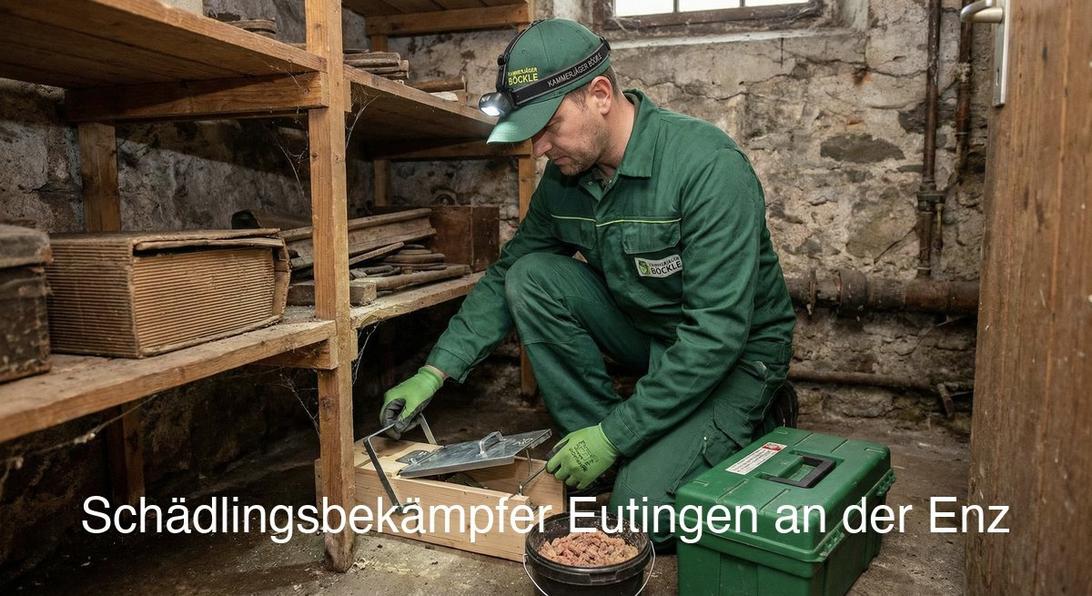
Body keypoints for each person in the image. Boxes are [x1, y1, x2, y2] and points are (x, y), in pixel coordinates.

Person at [378, 18, 795, 549]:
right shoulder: (566, 180)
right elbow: (510, 270)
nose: (541, 149)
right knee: (532, 277)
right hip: (651, 333)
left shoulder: (708, 166)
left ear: (599, 94)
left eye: (549, 127)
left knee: (638, 517)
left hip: (734, 353)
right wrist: (435, 372)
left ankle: (756, 414)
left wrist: (616, 435)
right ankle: (601, 453)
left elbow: (716, 335)